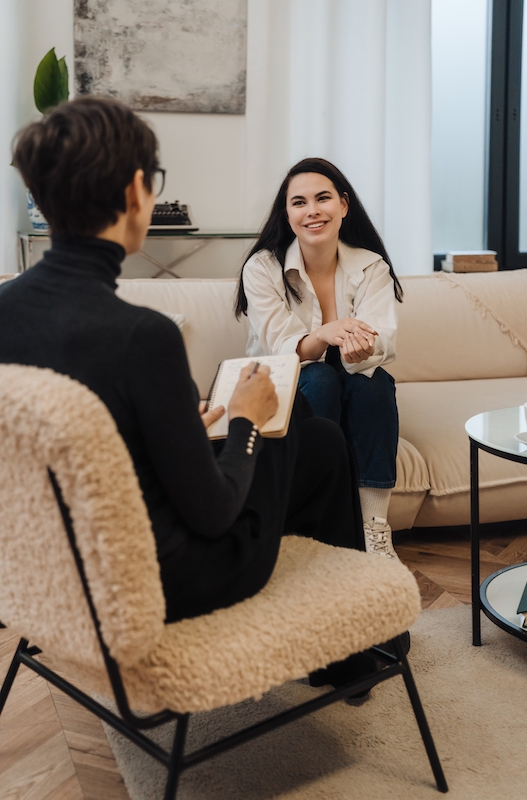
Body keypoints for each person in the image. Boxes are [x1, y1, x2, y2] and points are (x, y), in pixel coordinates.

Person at [1, 98, 366, 648]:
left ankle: (348, 644)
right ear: (134, 193)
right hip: (170, 578)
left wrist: (173, 425)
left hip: (51, 571)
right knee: (308, 431)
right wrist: (243, 421)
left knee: (317, 431)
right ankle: (352, 647)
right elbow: (216, 512)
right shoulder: (142, 336)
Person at [236, 158, 403, 559]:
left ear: (343, 206)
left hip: (351, 385)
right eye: (299, 202)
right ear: (287, 213)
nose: (312, 210)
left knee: (373, 380)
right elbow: (282, 346)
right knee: (321, 379)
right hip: (280, 386)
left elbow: (381, 339)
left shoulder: (370, 266)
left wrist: (361, 347)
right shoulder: (262, 268)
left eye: (323, 198)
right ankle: (319, 526)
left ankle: (373, 528)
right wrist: (324, 334)